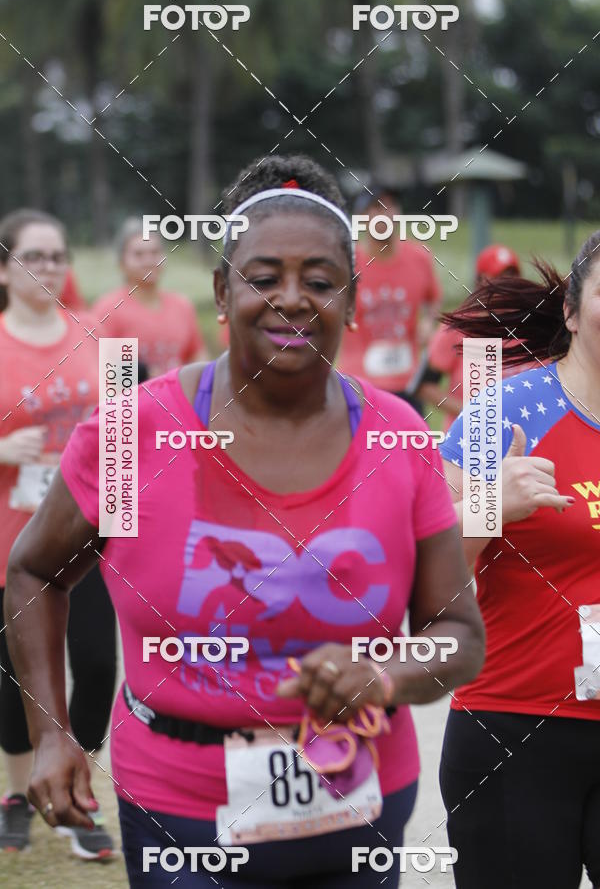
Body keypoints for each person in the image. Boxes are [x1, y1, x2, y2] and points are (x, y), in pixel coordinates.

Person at [6, 157, 484, 887]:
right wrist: (51, 732)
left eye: (320, 281)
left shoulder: (398, 435)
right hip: (180, 808)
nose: (292, 299)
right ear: (223, 293)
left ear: (352, 299)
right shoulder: (139, 433)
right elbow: (36, 569)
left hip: (359, 802)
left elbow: (458, 636)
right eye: (263, 278)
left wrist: (385, 672)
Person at [438, 233, 600, 888]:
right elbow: (422, 581)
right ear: (571, 309)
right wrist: (487, 506)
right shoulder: (506, 414)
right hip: (519, 730)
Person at [0, 209, 116, 860]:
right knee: (15, 680)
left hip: (89, 541)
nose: (47, 267)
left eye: (55, 256)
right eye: (32, 256)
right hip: (12, 544)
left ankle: (76, 790)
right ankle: (17, 796)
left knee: (97, 667)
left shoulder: (100, 335)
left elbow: (128, 430)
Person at [337, 185, 442, 412]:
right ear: (362, 218)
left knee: (412, 446)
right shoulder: (346, 263)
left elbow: (433, 299)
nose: (385, 214)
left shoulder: (419, 257)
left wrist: (428, 322)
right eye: (376, 207)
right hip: (359, 385)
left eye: (390, 206)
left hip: (408, 385)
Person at [416, 244, 522, 430]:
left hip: (523, 437)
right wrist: (470, 411)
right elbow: (425, 385)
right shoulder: (459, 326)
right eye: (499, 278)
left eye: (512, 277)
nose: (507, 284)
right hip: (470, 440)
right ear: (480, 281)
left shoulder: (532, 325)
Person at [92, 217, 206, 378]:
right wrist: (145, 375)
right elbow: (99, 369)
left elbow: (197, 358)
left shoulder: (182, 306)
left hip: (179, 401)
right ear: (121, 262)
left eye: (155, 253)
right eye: (139, 254)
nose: (149, 261)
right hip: (132, 401)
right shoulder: (109, 309)